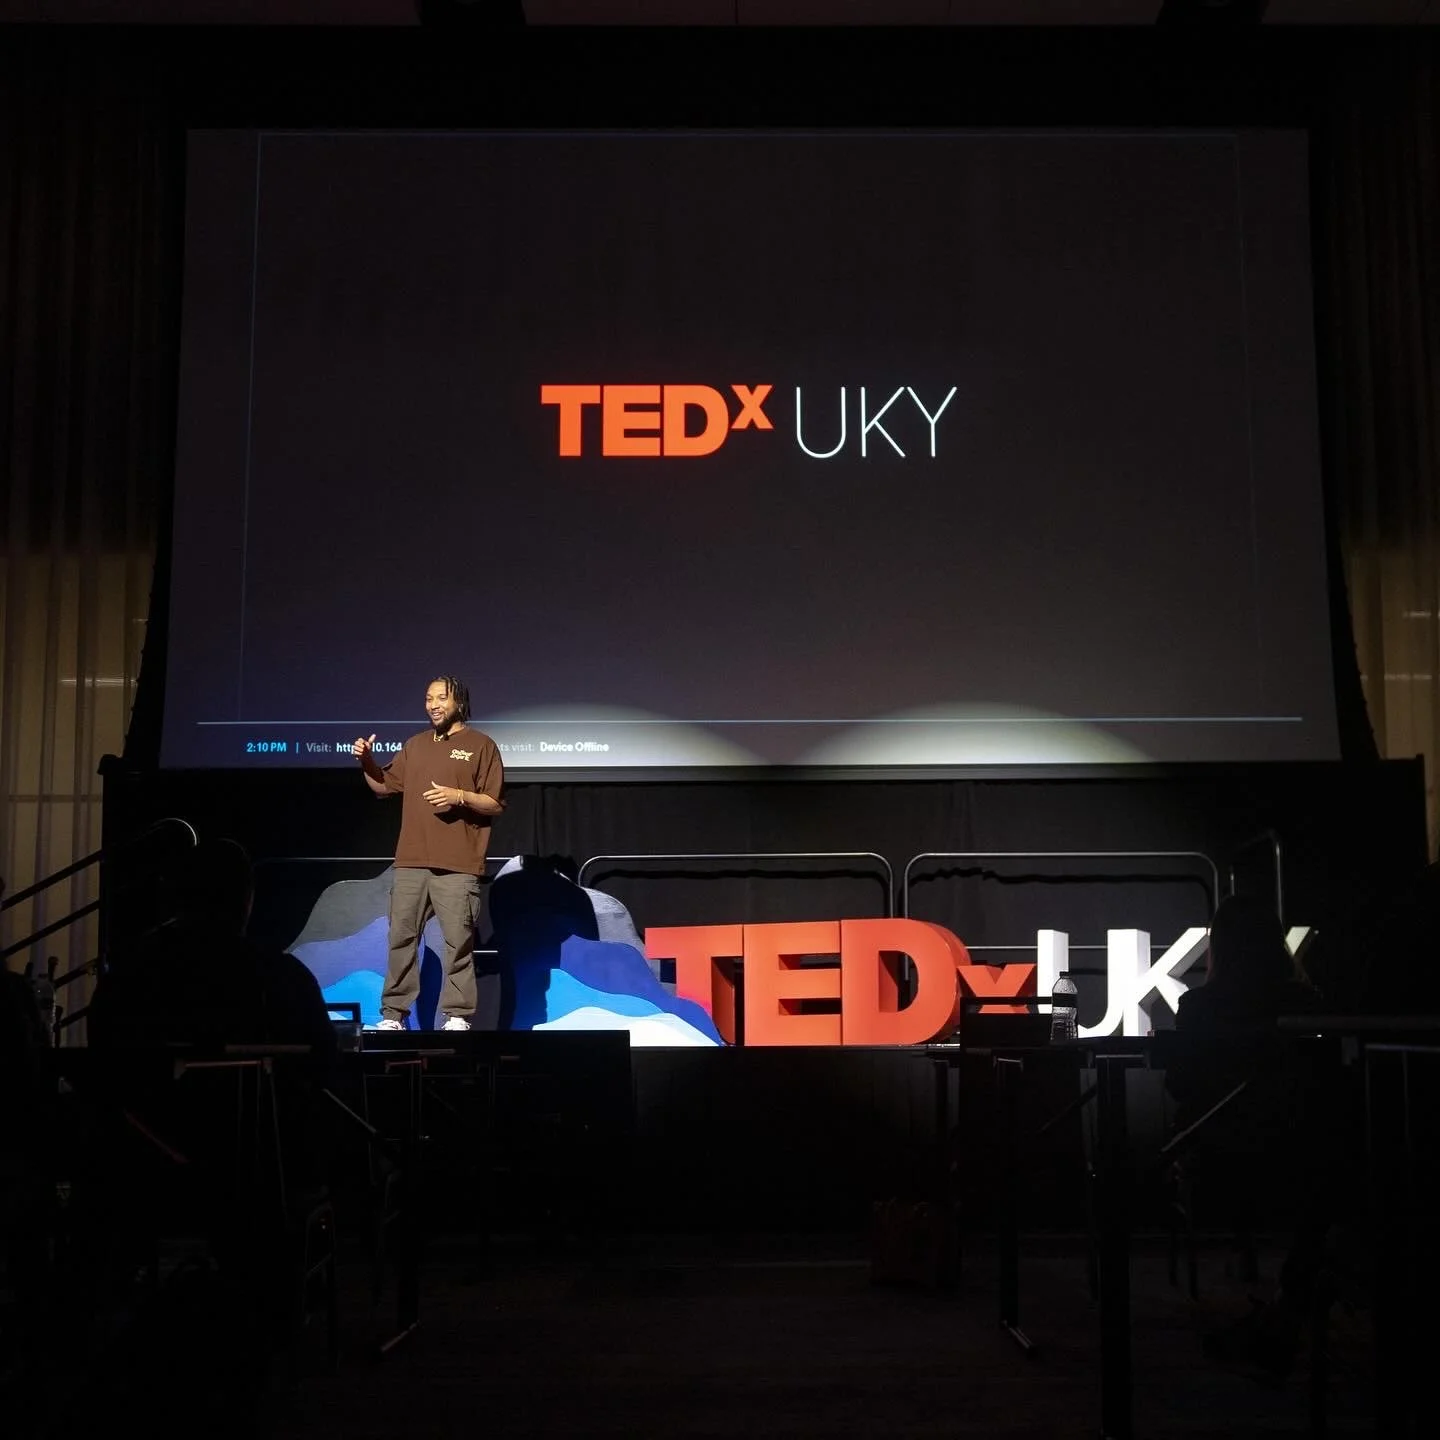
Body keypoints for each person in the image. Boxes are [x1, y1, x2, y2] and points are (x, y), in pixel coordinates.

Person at [353, 675, 505, 1032]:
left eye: (442, 698)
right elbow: (383, 786)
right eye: (428, 698)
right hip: (410, 862)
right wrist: (366, 761)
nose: (434, 704)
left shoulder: (481, 745)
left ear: (460, 703)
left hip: (458, 864)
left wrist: (459, 796)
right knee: (401, 939)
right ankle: (394, 1016)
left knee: (458, 942)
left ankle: (456, 1015)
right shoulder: (416, 745)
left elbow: (494, 802)